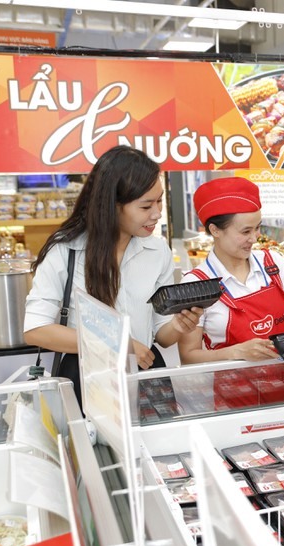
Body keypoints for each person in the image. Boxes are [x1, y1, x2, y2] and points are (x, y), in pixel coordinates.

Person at [24, 146, 202, 403]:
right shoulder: (66, 251)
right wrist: (122, 343)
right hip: (88, 378)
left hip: (146, 372)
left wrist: (179, 324)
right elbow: (36, 329)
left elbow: (161, 334)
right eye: (145, 206)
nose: (157, 213)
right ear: (113, 205)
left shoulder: (157, 250)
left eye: (160, 200)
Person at [177, 177, 284, 367]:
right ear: (215, 230)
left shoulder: (272, 263)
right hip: (229, 391)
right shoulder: (196, 284)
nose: (254, 238)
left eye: (258, 228)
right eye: (245, 232)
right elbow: (188, 356)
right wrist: (236, 352)